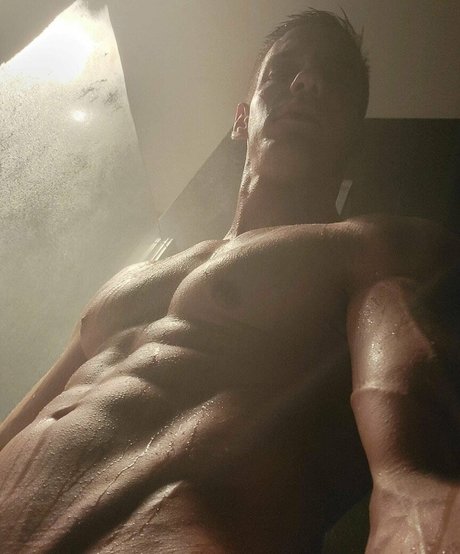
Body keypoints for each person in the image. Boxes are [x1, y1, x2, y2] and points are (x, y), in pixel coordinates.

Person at [0, 9, 459, 553]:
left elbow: (413, 480)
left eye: (332, 78)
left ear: (353, 139)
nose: (306, 82)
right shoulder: (132, 280)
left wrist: (415, 515)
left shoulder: (367, 248)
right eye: (282, 71)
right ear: (242, 119)